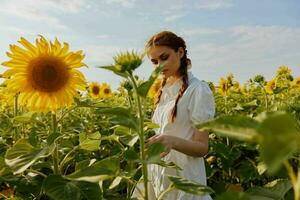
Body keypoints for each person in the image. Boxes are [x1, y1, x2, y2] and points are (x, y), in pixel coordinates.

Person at [133, 31, 215, 200]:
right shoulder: (163, 91)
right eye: (154, 62)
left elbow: (202, 147)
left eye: (164, 57)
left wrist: (172, 141)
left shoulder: (198, 90)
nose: (159, 66)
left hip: (184, 178)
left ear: (180, 52)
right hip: (159, 175)